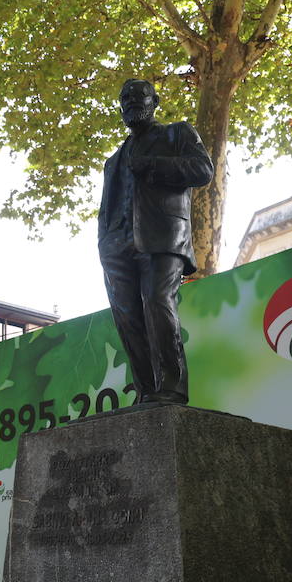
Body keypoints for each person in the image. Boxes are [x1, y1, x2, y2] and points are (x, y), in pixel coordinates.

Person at [96, 78, 215, 405]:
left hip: (162, 237)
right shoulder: (114, 160)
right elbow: (106, 208)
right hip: (117, 247)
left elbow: (203, 170)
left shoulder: (176, 134)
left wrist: (153, 166)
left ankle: (171, 387)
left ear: (155, 101)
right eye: (125, 98)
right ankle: (147, 390)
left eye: (139, 96)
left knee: (157, 302)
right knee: (127, 317)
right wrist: (104, 244)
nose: (132, 101)